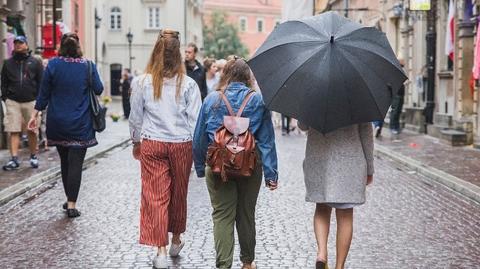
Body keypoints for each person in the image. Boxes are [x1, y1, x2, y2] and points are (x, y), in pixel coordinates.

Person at [193, 57, 278, 269]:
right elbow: (267, 140)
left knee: (222, 215)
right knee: (246, 214)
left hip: (218, 166)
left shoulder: (212, 100)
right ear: (248, 77)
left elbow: (199, 139)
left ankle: (224, 265)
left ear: (226, 75)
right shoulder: (258, 101)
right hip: (250, 165)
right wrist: (271, 174)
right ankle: (248, 263)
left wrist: (200, 167)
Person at [129, 29, 202, 269]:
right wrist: (197, 149)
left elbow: (135, 118)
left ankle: (159, 251)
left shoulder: (141, 82)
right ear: (179, 55)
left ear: (156, 52)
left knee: (155, 196)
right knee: (179, 193)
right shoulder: (189, 84)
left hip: (152, 142)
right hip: (182, 143)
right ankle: (176, 238)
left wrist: (136, 142)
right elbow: (196, 121)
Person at [27, 32, 104, 218]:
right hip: (81, 124)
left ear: (61, 46)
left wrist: (34, 115)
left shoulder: (53, 65)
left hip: (58, 122)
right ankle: (72, 204)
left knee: (65, 162)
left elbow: (43, 94)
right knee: (76, 163)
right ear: (78, 47)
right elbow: (99, 89)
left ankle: (69, 197)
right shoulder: (88, 66)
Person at [298, 122, 374, 269]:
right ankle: (339, 266)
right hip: (349, 161)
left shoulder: (314, 98)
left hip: (319, 158)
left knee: (321, 209)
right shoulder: (360, 99)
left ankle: (322, 253)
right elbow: (366, 133)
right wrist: (369, 168)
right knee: (345, 214)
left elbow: (303, 126)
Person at [1, 36, 43, 171]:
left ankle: (33, 156)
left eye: (21, 43)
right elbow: (4, 82)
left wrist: (39, 100)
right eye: (16, 43)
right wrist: (6, 97)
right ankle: (14, 159)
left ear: (26, 45)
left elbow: (41, 82)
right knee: (13, 130)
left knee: (32, 130)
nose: (18, 45)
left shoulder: (35, 62)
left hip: (31, 101)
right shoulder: (8, 63)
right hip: (13, 101)